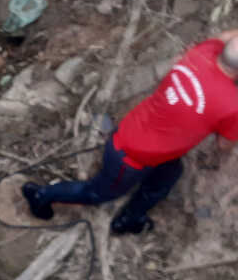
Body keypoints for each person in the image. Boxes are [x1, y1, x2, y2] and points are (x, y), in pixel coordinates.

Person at [21, 32, 238, 234]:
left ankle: (130, 218)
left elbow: (228, 36)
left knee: (169, 173)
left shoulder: (203, 51)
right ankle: (42, 195)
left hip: (137, 130)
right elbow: (224, 145)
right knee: (97, 193)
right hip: (131, 157)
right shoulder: (231, 106)